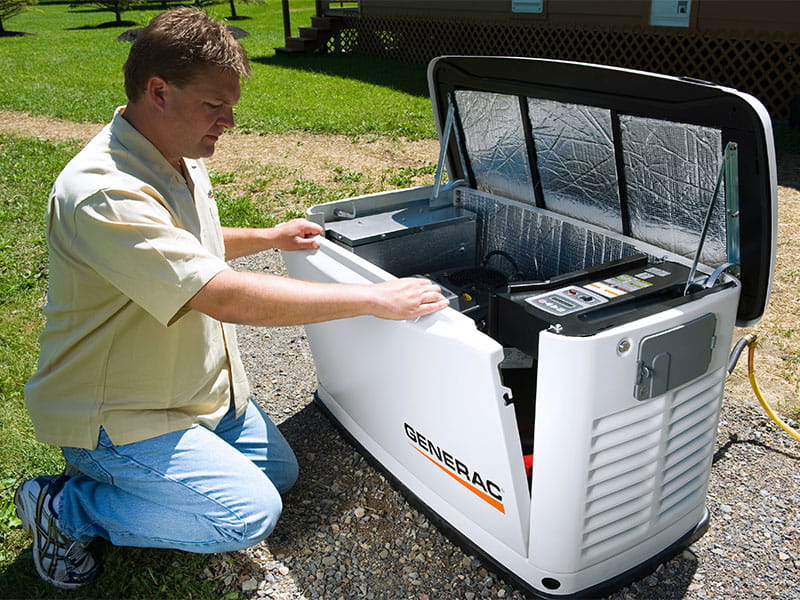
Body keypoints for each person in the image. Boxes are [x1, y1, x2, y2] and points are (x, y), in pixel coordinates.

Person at [14, 6, 447, 590]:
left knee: (281, 474)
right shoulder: (105, 193)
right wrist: (371, 298)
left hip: (190, 395)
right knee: (245, 513)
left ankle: (148, 476)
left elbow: (192, 244)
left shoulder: (174, 151)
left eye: (231, 107)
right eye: (215, 106)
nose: (229, 121)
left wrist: (268, 238)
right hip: (118, 415)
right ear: (158, 91)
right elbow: (223, 297)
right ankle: (68, 507)